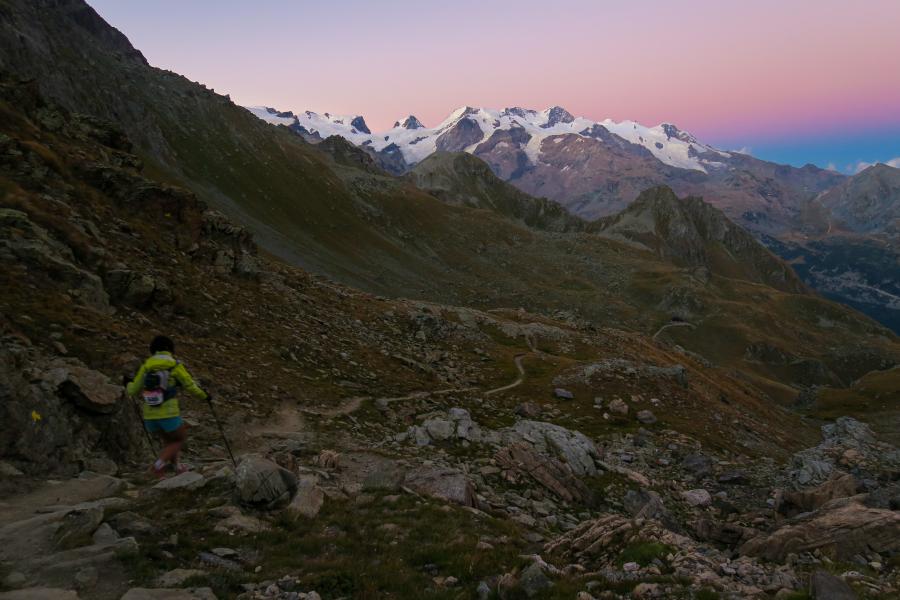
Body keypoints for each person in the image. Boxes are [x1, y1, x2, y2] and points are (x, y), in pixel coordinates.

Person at [126, 335, 208, 477]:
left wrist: (127, 383)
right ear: (170, 349)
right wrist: (205, 396)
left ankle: (176, 466)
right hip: (168, 413)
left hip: (149, 414)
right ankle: (158, 466)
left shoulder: (146, 366)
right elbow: (190, 385)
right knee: (179, 439)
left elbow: (132, 390)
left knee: (169, 441)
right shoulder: (174, 365)